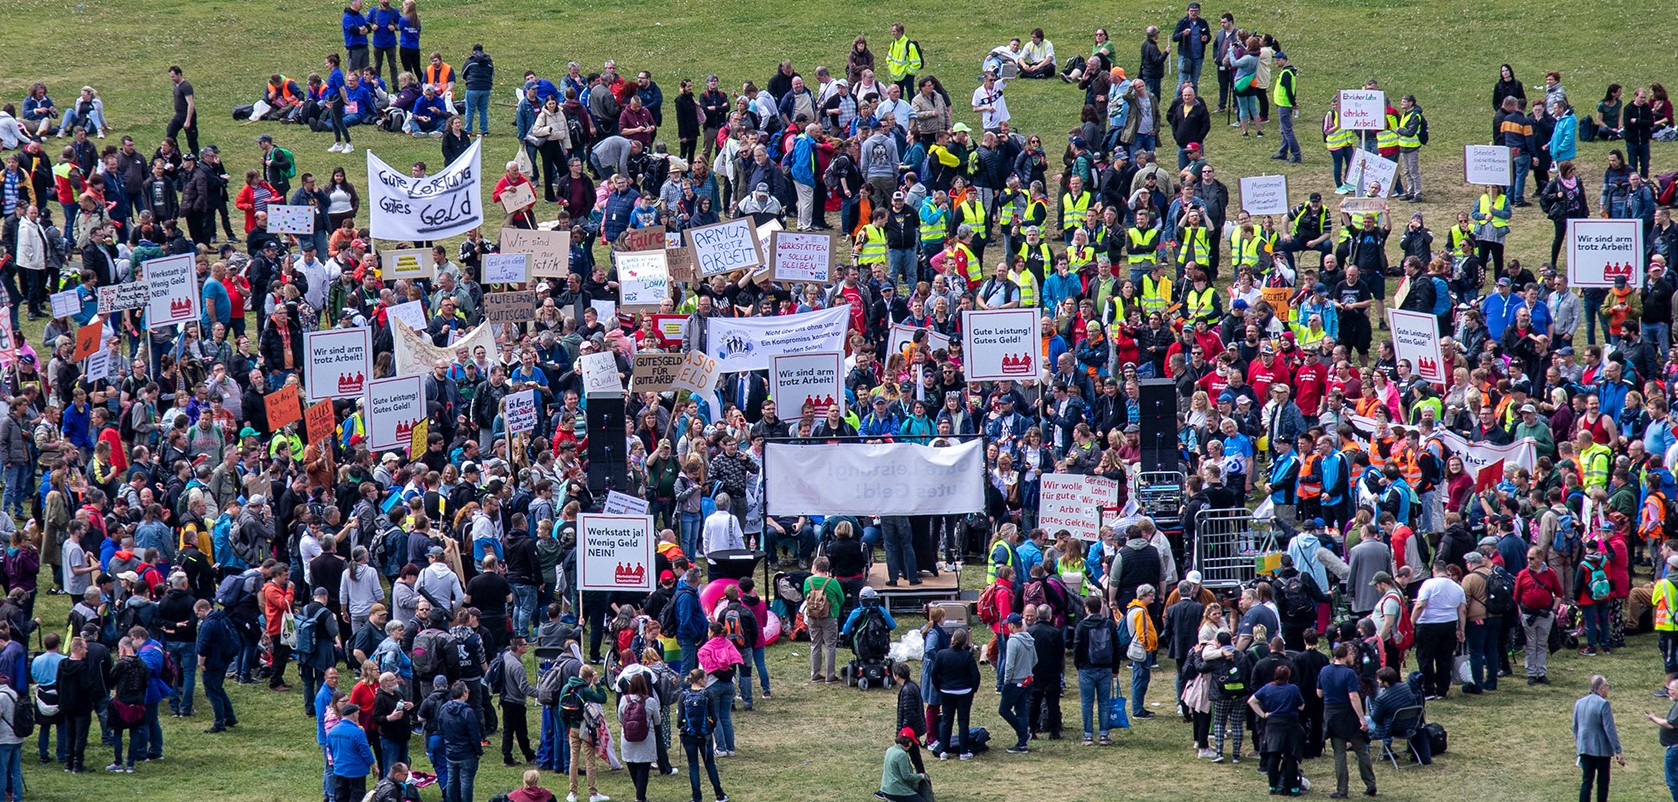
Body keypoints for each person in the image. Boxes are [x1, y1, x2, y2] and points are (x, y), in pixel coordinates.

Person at [1319, 641, 1376, 799]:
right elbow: (1353, 696)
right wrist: (1361, 719)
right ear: (1344, 656)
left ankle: (1342, 790)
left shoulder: (1324, 671)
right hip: (1348, 714)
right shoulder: (1349, 673)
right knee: (1360, 750)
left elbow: (1319, 693)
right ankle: (1370, 784)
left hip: (1332, 714)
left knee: (1339, 754)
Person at [1248, 663, 1306, 796]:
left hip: (1273, 725)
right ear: (1288, 676)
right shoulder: (1293, 689)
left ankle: (1273, 787)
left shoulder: (1267, 688)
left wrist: (1263, 714)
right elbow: (1301, 706)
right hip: (1290, 724)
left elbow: (1252, 701)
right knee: (1290, 757)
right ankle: (1294, 789)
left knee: (1273, 756)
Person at [677, 667, 727, 802]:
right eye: (705, 678)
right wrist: (710, 728)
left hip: (688, 735)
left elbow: (679, 719)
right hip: (705, 735)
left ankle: (697, 797)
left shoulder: (683, 695)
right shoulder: (707, 694)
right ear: (700, 680)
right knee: (709, 764)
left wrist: (682, 727)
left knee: (693, 765)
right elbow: (714, 717)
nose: (707, 680)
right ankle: (719, 794)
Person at [1573, 675, 1624, 802]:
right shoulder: (1603, 704)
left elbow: (1575, 726)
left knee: (1586, 781)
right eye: (1607, 686)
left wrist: (1580, 742)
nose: (1608, 689)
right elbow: (1609, 729)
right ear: (1601, 689)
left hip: (1584, 748)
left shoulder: (1579, 702)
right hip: (1600, 751)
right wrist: (1617, 750)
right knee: (1602, 782)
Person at [618, 673, 661, 802]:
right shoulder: (650, 701)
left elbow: (620, 717)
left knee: (632, 766)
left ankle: (639, 794)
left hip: (628, 738)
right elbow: (658, 720)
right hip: (646, 738)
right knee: (643, 769)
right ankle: (640, 797)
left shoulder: (624, 700)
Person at [440, 680, 484, 802]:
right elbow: (474, 735)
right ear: (464, 693)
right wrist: (478, 751)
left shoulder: (444, 709)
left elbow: (441, 727)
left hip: (450, 752)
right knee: (466, 783)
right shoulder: (467, 712)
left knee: (451, 781)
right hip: (467, 754)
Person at [329, 701, 378, 802]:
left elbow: (330, 748)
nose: (358, 715)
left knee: (341, 797)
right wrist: (373, 766)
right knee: (357, 797)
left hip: (340, 770)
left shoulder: (333, 730)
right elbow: (365, 751)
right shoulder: (357, 732)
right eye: (358, 713)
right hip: (356, 771)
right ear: (353, 714)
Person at [1647, 677, 1678, 802]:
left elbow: (1671, 724)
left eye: (1672, 690)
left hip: (1675, 749)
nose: (1669, 692)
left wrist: (1654, 718)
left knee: (1673, 781)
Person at [879, 729, 931, 802]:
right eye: (911, 742)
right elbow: (906, 776)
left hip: (886, 789)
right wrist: (921, 776)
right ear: (908, 743)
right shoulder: (901, 755)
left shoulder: (890, 750)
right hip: (897, 791)